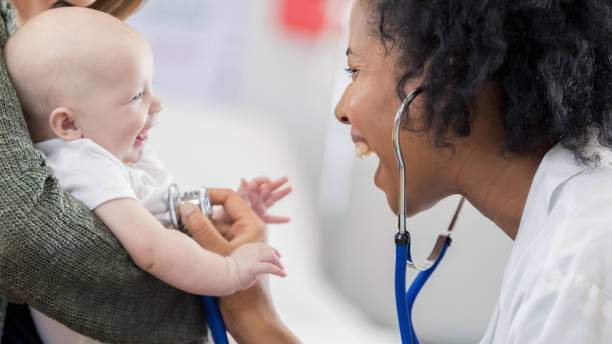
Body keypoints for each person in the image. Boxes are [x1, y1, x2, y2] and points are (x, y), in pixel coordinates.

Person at [0, 1, 296, 343]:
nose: (156, 105)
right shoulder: (83, 167)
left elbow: (161, 208)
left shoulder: (109, 155)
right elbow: (153, 249)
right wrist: (229, 273)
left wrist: (227, 211)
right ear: (67, 123)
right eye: (136, 96)